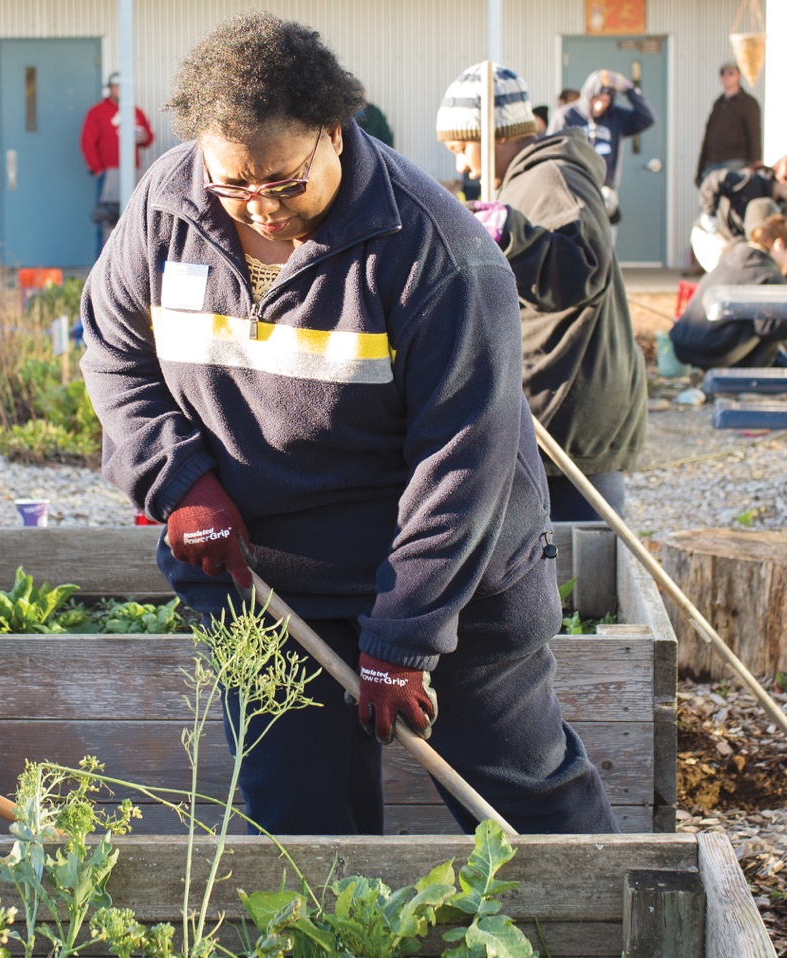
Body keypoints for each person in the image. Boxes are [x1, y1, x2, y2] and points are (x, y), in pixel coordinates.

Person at [80, 12, 617, 837]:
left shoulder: (436, 253)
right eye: (234, 184)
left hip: (451, 588)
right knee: (300, 828)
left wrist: (403, 640)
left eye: (284, 182)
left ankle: (599, 953)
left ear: (335, 131)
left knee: (522, 807)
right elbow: (114, 352)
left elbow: (461, 463)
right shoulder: (168, 206)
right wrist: (179, 480)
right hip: (262, 585)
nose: (259, 209)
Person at [440, 64, 645, 525]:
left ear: (497, 134)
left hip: (573, 404)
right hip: (552, 400)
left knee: (582, 558)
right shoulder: (524, 179)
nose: (461, 165)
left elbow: (583, 269)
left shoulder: (554, 177)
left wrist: (510, 232)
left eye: (462, 147)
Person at [671, 211, 787, 370]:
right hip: (714, 352)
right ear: (779, 244)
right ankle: (754, 383)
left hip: (681, 344)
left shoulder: (731, 257)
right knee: (775, 321)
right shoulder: (769, 274)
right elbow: (769, 329)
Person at [548, 70, 654, 224]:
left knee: (605, 240)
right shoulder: (566, 116)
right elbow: (551, 151)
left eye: (605, 100)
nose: (599, 105)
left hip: (604, 190)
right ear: (587, 96)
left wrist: (628, 89)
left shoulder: (616, 117)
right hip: (572, 188)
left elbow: (647, 117)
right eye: (596, 99)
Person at [81, 72, 156, 246]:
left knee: (134, 220)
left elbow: (148, 139)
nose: (120, 90)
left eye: (123, 87)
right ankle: (102, 268)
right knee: (107, 222)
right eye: (116, 86)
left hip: (134, 172)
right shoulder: (97, 112)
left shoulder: (135, 111)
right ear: (109, 89)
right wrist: (98, 170)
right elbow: (87, 142)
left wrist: (143, 136)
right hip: (109, 174)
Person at [690, 156, 787, 270]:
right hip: (712, 236)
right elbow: (714, 180)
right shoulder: (752, 181)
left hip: (737, 244)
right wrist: (709, 216)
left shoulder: (780, 205)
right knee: (732, 274)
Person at [696, 61, 762, 187]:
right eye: (723, 73)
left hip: (735, 163)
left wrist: (755, 165)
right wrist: (700, 169)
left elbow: (754, 134)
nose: (726, 76)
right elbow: (708, 136)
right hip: (712, 164)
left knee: (732, 203)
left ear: (739, 76)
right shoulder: (719, 103)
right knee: (709, 203)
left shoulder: (748, 103)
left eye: (731, 73)